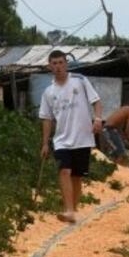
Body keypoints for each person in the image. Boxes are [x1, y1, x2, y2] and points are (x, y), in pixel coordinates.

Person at [39, 50, 103, 223]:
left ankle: (73, 209)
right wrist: (45, 143)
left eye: (61, 62)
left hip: (82, 138)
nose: (58, 66)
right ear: (49, 66)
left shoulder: (80, 81)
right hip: (61, 140)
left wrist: (97, 119)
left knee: (76, 176)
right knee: (64, 171)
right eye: (54, 63)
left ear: (66, 64)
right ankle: (68, 209)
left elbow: (96, 101)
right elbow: (46, 118)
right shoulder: (48, 92)